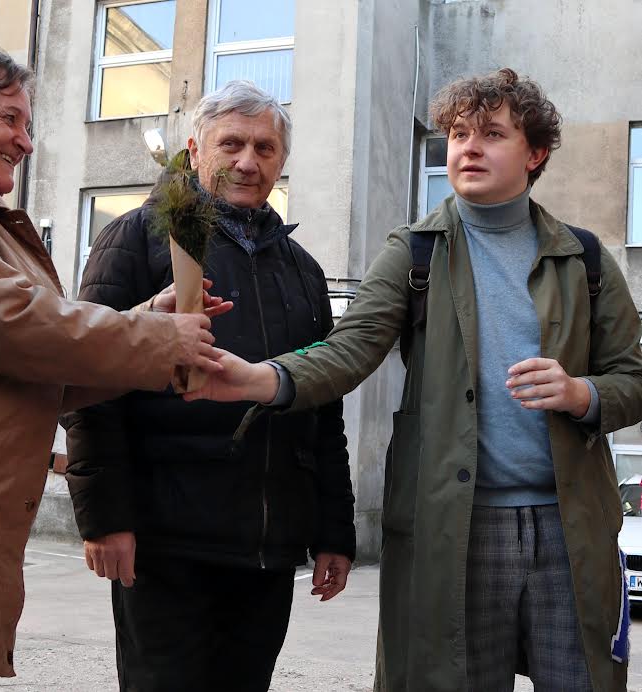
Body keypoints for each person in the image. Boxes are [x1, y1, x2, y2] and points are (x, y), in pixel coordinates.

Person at [187, 68, 642, 692]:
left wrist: (581, 393)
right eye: (457, 135)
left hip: (572, 530)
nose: (469, 148)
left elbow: (633, 379)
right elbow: (348, 350)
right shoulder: (414, 252)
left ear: (535, 153)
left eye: (492, 134)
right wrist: (260, 380)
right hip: (453, 530)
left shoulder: (585, 258)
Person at [0, 44, 227, 692]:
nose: (25, 140)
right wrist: (156, 338)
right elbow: (9, 321)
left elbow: (43, 368)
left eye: (29, 124)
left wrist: (149, 319)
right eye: (9, 118)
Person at [62, 80, 356, 692]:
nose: (248, 162)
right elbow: (90, 385)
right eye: (232, 144)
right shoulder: (138, 237)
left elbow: (321, 409)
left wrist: (335, 532)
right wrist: (104, 517)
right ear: (195, 149)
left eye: (265, 148)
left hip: (266, 550)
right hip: (166, 543)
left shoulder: (302, 269)